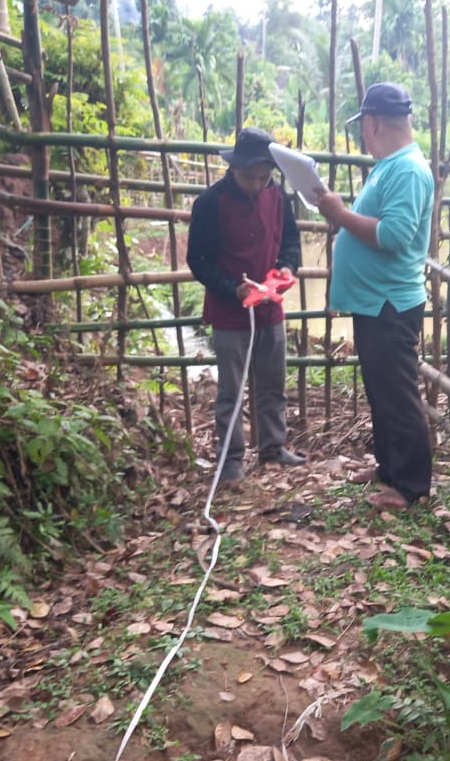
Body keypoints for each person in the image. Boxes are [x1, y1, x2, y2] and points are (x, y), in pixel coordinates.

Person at [314, 82, 435, 510]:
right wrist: (344, 215)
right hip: (375, 300)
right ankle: (388, 468)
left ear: (372, 123)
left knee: (398, 395)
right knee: (381, 390)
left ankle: (412, 485)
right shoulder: (390, 165)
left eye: (362, 127)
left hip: (390, 301)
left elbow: (394, 235)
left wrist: (340, 214)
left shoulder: (407, 170)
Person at [186, 127, 305, 482]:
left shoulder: (279, 197)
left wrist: (286, 267)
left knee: (272, 382)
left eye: (263, 177)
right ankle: (232, 460)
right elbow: (199, 260)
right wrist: (232, 289)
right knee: (231, 391)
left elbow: (291, 243)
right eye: (248, 177)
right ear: (233, 169)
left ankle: (272, 447)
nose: (256, 184)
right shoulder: (210, 203)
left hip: (270, 307)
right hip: (229, 312)